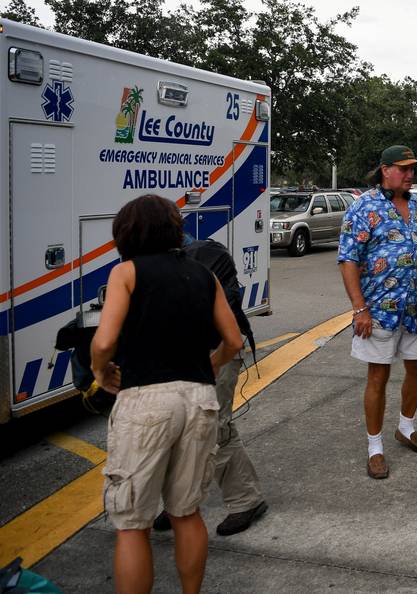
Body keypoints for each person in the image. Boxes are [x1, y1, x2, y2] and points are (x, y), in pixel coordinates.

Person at [91, 195, 242, 594]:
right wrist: (209, 366)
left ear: (128, 233)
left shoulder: (126, 273)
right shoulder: (203, 275)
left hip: (147, 401)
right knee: (186, 512)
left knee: (132, 523)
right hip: (199, 400)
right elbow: (234, 340)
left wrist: (98, 369)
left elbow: (104, 341)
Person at [338, 145, 417, 480]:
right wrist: (359, 309)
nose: (411, 175)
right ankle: (375, 448)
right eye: (404, 169)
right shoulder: (363, 207)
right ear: (385, 170)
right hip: (379, 311)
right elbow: (348, 260)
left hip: (415, 307)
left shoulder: (416, 206)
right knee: (378, 376)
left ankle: (406, 427)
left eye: (413, 169)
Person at [152, 237, 267, 537]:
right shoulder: (158, 262)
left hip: (217, 350)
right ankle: (179, 502)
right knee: (177, 427)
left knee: (216, 425)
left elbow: (227, 330)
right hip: (184, 352)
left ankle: (247, 500)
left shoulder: (197, 257)